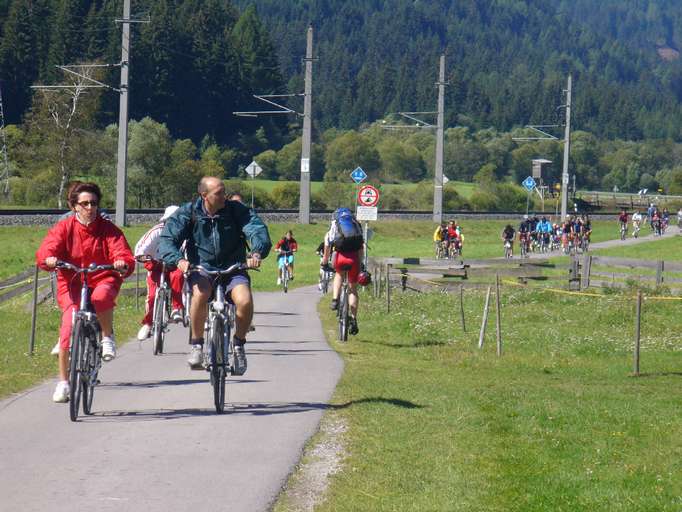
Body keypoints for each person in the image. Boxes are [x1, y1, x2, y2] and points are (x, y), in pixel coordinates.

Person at [158, 176, 271, 373]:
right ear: (204, 196)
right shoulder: (189, 212)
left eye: (224, 191)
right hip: (202, 268)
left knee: (244, 300)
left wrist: (256, 252)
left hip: (233, 268)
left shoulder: (236, 210)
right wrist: (178, 260)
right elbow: (168, 238)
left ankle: (238, 345)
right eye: (219, 193)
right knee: (200, 294)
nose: (224, 197)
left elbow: (256, 229)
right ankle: (197, 346)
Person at [36, 182, 135, 402]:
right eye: (85, 203)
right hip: (71, 281)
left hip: (102, 277)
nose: (90, 208)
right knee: (68, 327)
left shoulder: (108, 229)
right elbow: (47, 249)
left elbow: (122, 251)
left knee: (100, 297)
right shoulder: (64, 228)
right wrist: (49, 259)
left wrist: (121, 262)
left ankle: (107, 336)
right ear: (74, 206)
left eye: (94, 203)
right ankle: (63, 382)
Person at [134, 205, 185, 341]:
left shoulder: (184, 234)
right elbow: (140, 247)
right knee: (151, 296)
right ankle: (148, 323)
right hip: (156, 266)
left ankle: (176, 308)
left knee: (178, 277)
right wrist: (141, 256)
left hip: (174, 265)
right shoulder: (156, 232)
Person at [321, 207, 364, 336]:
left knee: (339, 274)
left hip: (340, 258)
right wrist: (360, 263)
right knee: (353, 289)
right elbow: (361, 247)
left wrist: (324, 261)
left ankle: (335, 300)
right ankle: (354, 319)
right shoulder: (356, 225)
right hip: (354, 259)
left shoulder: (335, 225)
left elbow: (328, 244)